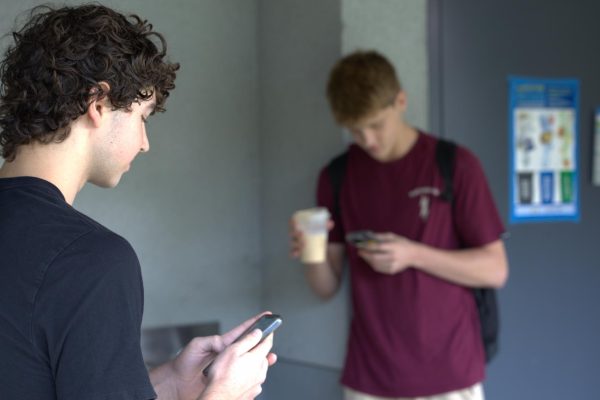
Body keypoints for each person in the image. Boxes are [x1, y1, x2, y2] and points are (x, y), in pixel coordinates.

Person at [0, 4, 275, 400]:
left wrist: (170, 382)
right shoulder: (91, 260)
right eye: (143, 116)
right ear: (98, 104)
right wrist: (224, 395)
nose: (145, 143)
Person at [290, 50, 509, 400]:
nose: (368, 141)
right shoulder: (337, 175)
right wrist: (310, 253)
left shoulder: (455, 165)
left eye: (376, 125)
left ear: (401, 101)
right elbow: (325, 287)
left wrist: (413, 255)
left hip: (451, 374)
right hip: (370, 377)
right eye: (355, 131)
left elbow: (496, 270)